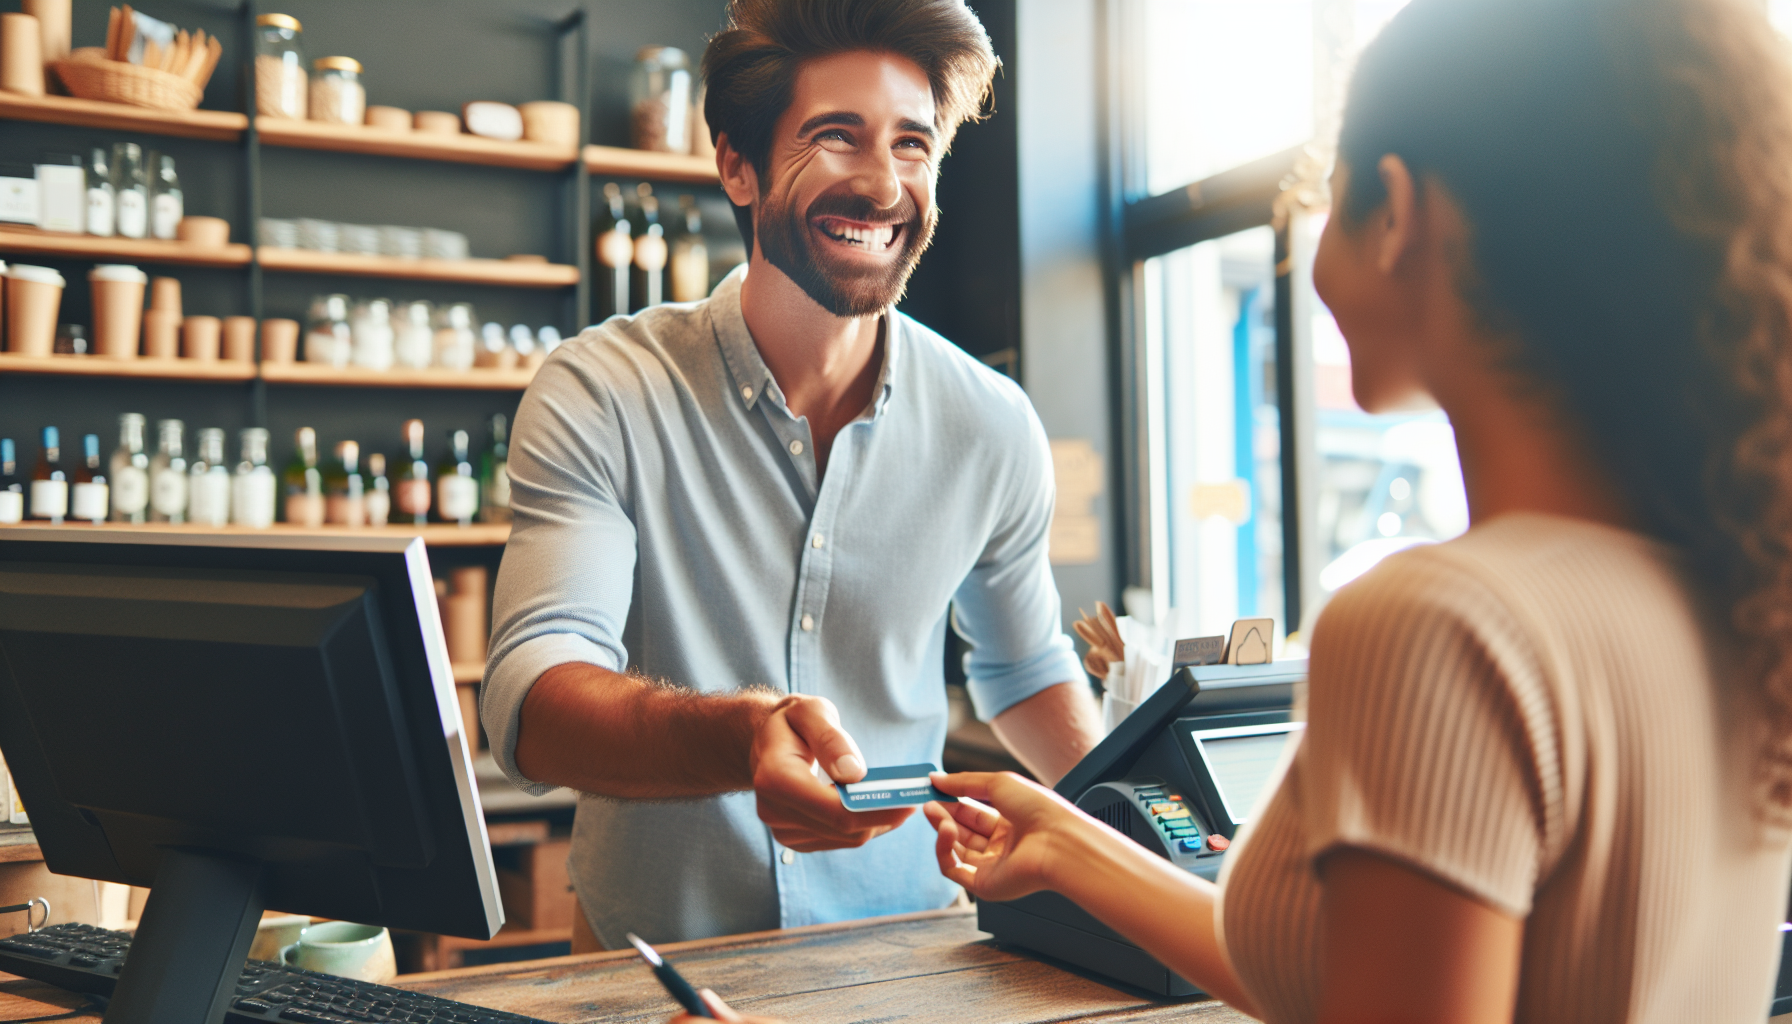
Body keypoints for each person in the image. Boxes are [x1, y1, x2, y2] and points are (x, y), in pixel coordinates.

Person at [669, 0, 1792, 1020]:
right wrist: (1065, 844)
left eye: (1328, 190)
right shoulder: (1732, 595)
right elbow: (1337, 975)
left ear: (1394, 214)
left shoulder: (1438, 625)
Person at [482, 0, 1102, 952]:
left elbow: (1021, 670)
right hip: (659, 967)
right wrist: (744, 735)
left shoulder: (992, 423)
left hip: (912, 959)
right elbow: (532, 701)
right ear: (737, 162)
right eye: (835, 137)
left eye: (912, 144)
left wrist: (1146, 825)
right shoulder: (603, 389)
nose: (884, 183)